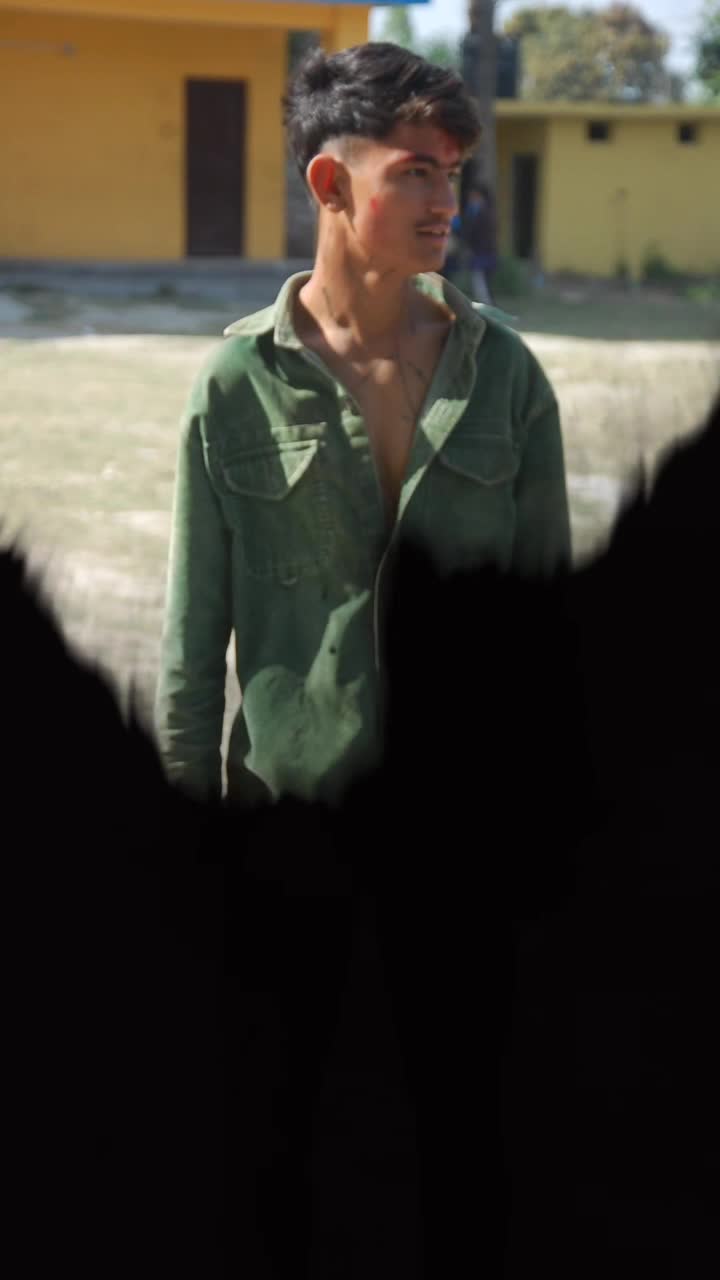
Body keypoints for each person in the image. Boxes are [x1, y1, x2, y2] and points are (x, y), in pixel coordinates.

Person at [154, 41, 572, 812]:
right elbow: (193, 645)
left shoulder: (505, 376)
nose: (447, 203)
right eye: (416, 173)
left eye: (451, 174)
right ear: (331, 185)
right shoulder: (237, 387)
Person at [461, 181, 498, 303]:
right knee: (479, 281)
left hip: (484, 252)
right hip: (479, 252)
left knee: (482, 282)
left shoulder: (486, 213)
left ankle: (486, 305)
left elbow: (483, 235)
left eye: (473, 196)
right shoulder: (474, 212)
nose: (471, 199)